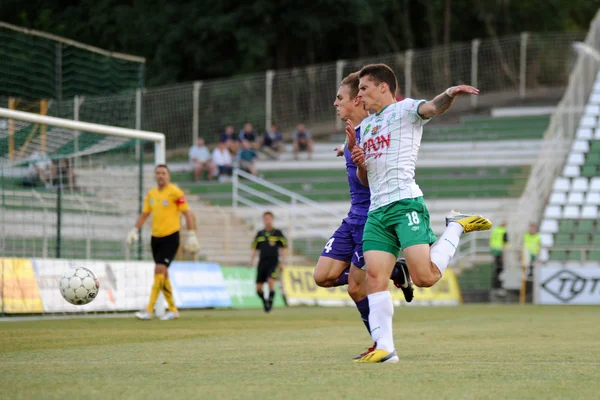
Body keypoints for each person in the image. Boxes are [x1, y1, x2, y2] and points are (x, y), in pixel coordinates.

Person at [349, 63, 492, 363]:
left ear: (383, 86)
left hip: (405, 204)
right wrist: (360, 161)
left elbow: (433, 108)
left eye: (363, 88)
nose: (359, 95)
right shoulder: (368, 127)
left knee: (424, 277)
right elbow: (365, 179)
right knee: (375, 277)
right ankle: (386, 349)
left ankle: (455, 227)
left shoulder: (405, 110)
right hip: (377, 210)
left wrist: (449, 93)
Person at [313, 71, 414, 359]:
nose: (335, 103)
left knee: (357, 289)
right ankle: (395, 270)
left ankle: (382, 346)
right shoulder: (353, 135)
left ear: (357, 100)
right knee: (323, 277)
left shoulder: (374, 134)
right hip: (352, 217)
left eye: (340, 97)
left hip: (372, 218)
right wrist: (343, 147)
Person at [126, 164, 200, 321]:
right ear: (155, 176)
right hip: (156, 238)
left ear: (168, 176)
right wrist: (135, 230)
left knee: (158, 269)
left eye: (163, 173)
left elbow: (187, 213)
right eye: (158, 173)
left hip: (171, 237)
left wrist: (191, 233)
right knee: (163, 274)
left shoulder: (175, 192)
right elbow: (145, 214)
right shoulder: (151, 194)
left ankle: (149, 309)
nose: (161, 176)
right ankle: (173, 309)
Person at [248, 211, 287, 312]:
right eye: (265, 219)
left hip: (274, 262)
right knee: (258, 288)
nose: (267, 221)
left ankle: (270, 300)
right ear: (263, 220)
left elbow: (283, 248)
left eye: (269, 218)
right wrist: (251, 261)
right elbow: (254, 249)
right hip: (262, 262)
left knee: (270, 280)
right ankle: (265, 301)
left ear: (272, 220)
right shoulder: (259, 234)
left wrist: (283, 261)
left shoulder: (278, 233)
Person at [489, 221, 508, 290]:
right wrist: (502, 255)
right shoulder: (503, 231)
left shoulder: (495, 230)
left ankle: (495, 285)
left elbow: (492, 240)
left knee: (496, 269)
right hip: (500, 252)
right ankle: (499, 286)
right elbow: (504, 243)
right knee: (500, 269)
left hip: (494, 251)